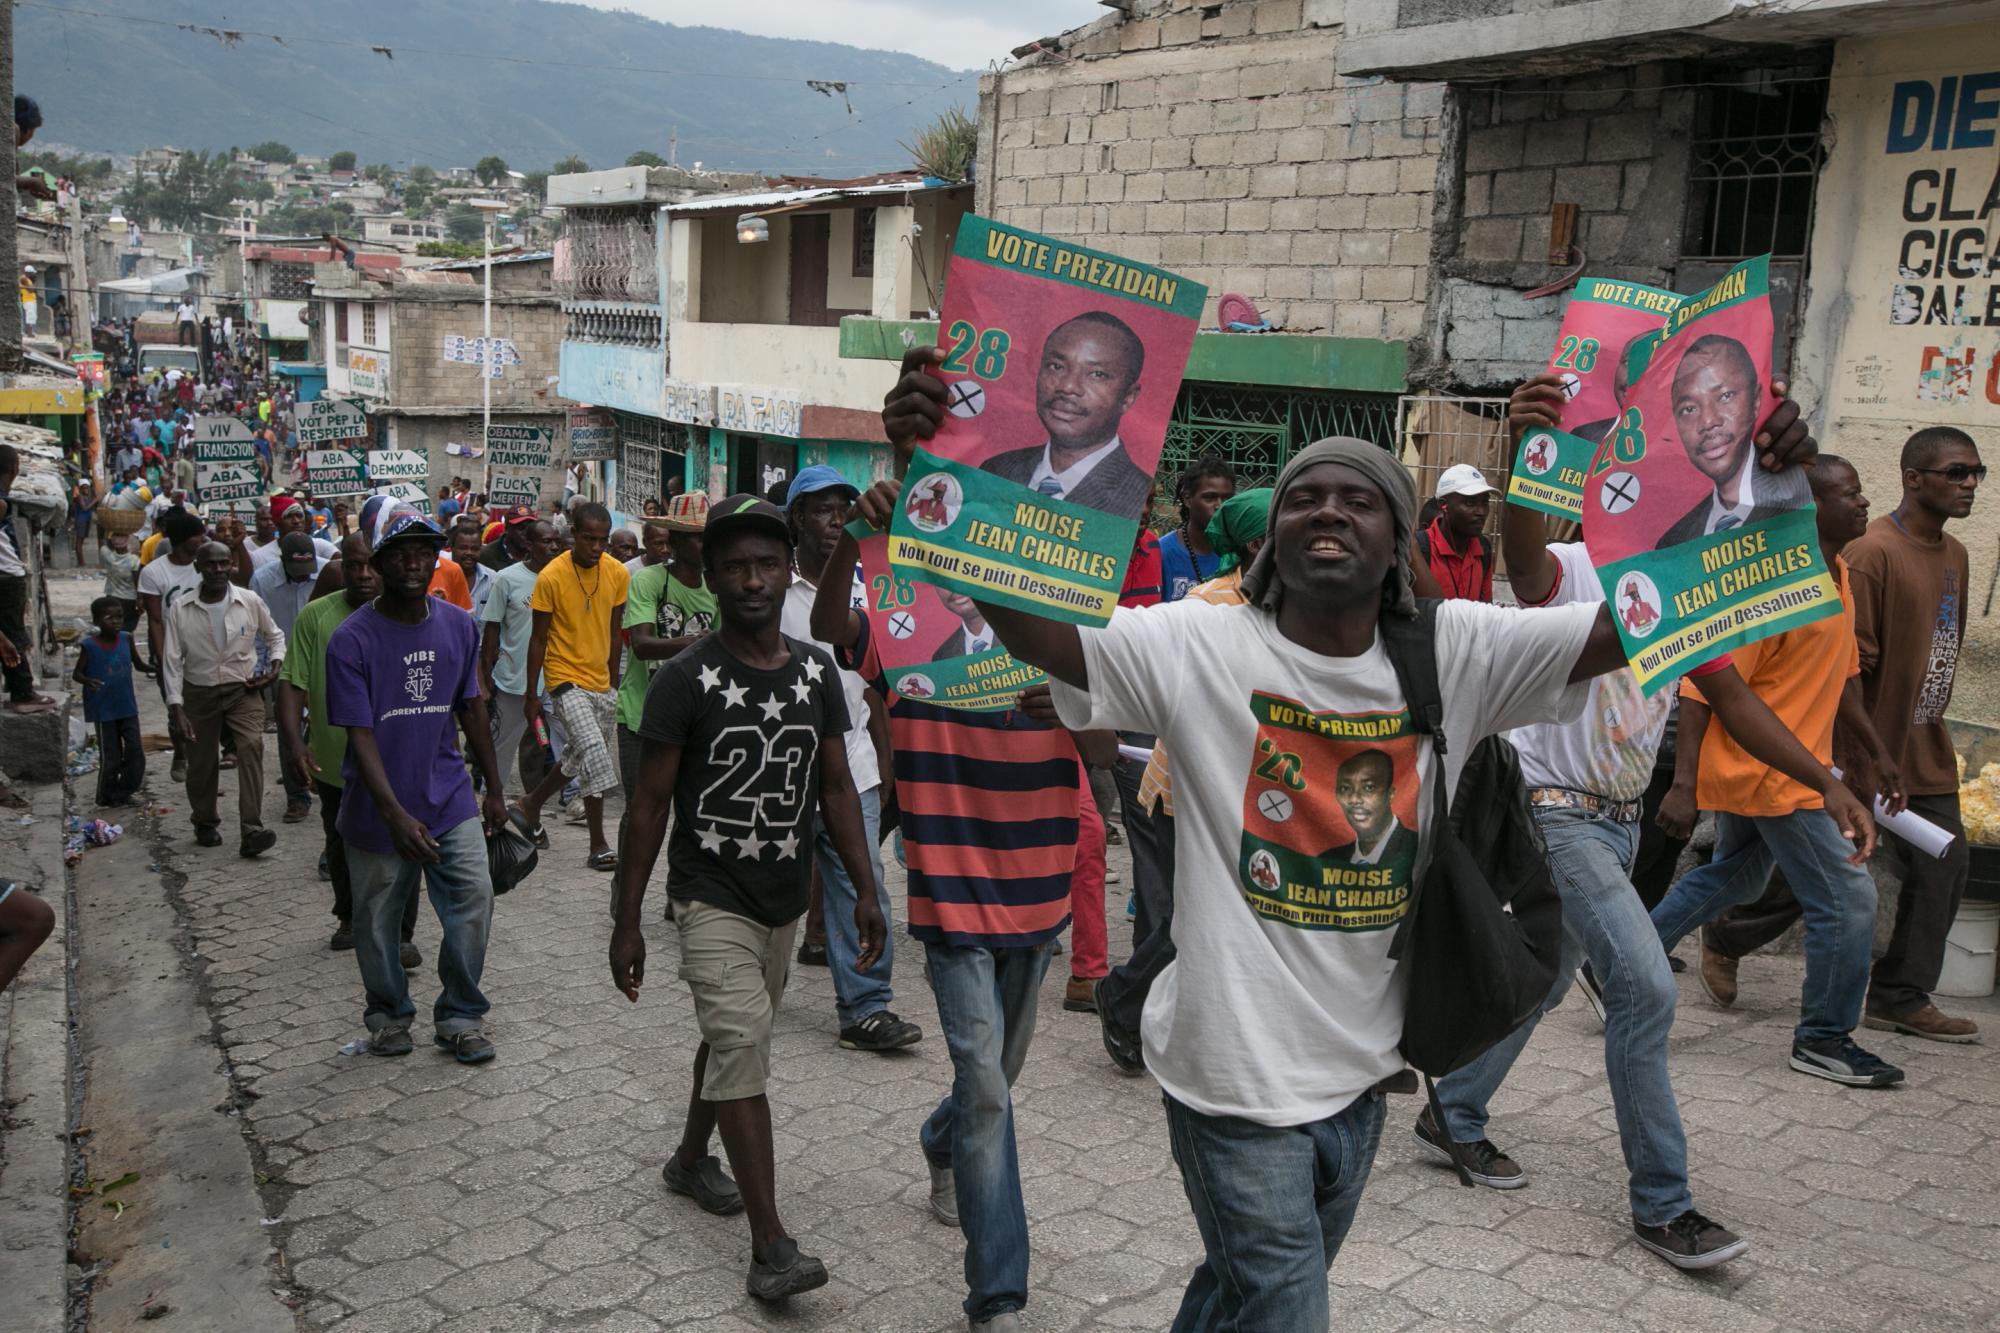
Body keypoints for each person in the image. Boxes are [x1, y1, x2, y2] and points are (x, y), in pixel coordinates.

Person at [874, 343, 1832, 1329]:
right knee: (1289, 1309)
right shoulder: (1197, 643)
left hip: (1364, 1076)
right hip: (1229, 1084)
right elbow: (1044, 636)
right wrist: (937, 473)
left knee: (1235, 1295)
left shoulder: (1456, 648)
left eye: (1358, 498)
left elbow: (1635, 625)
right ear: (1269, 537)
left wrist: (1755, 493)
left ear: (1396, 540)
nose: (1327, 510)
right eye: (1303, 496)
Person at [1421, 373, 1876, 1272]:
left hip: (1619, 823)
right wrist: (1527, 453)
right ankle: (1663, 1204)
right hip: (1555, 814)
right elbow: (1523, 564)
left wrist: (1827, 781)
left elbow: (1737, 700)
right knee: (1648, 991)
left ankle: (1453, 1110)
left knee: (1551, 981)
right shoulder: (1584, 564)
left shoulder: (1686, 587)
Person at [610, 493, 885, 1304]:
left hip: (780, 900)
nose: (752, 579)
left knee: (736, 1036)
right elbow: (649, 807)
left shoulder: (813, 670)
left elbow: (836, 785)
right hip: (709, 893)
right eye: (734, 566)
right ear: (715, 578)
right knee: (740, 1039)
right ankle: (771, 1247)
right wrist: (626, 921)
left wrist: (867, 891)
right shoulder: (685, 678)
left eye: (766, 563)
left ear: (785, 567)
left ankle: (691, 1158)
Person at [812, 518, 1083, 1330]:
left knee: (994, 1074)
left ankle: (940, 1140)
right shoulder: (904, 636)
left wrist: (1069, 700)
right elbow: (831, 627)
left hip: (1038, 886)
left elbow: (1104, 746)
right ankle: (997, 1293)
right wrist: (852, 540)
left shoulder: (1060, 638)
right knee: (991, 1094)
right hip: (949, 884)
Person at [1655, 455, 1904, 1088]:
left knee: (1734, 878)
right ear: (1807, 506)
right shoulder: (1769, 581)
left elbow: (1843, 675)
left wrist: (1874, 752)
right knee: (1849, 901)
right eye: (1849, 493)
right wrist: (1684, 785)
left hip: (1801, 768)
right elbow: (1706, 684)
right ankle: (1823, 1037)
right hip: (1772, 774)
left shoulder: (1839, 571)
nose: (1864, 503)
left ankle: (1621, 960)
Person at [325, 501, 508, 1063]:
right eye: (399, 554)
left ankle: (460, 1014)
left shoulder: (457, 624)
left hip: (450, 797)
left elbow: (472, 708)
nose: (413, 564)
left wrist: (494, 790)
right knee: (377, 921)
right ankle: (387, 1014)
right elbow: (360, 737)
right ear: (377, 564)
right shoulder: (350, 641)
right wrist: (395, 815)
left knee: (473, 901)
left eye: (424, 553)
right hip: (377, 810)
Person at [1097, 488, 1270, 1076]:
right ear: (1256, 544)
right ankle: (1121, 1000)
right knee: (1182, 922)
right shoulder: (1212, 605)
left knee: (1224, 916)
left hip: (1245, 797)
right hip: (1181, 791)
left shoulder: (1288, 604)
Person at [1851, 427, 1983, 1042]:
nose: (1969, 484)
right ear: (1912, 478)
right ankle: (1733, 930)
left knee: (1947, 861)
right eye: (1956, 472)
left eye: (1976, 473)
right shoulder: (1870, 553)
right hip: (1867, 751)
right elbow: (1846, 668)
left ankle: (1900, 995)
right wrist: (1864, 755)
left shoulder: (1954, 554)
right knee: (1820, 869)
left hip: (1924, 749)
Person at [782, 466, 919, 1052]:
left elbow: (876, 683)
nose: (838, 520)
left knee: (865, 884)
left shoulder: (870, 587)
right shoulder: (772, 585)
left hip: (853, 765)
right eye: (822, 510)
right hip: (779, 768)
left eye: (845, 508)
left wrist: (888, 765)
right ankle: (749, 984)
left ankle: (866, 1006)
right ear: (796, 520)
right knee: (769, 888)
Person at [280, 533, 420, 960]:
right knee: (341, 838)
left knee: (405, 841)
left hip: (397, 758)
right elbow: (292, 682)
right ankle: (349, 916)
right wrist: (293, 745)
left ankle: (401, 933)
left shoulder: (411, 615)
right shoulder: (317, 617)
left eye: (371, 566)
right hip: (334, 758)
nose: (363, 575)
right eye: (353, 566)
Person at [513, 501, 629, 870]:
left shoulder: (617, 574)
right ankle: (598, 843)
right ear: (572, 536)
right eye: (589, 539)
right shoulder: (551, 576)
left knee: (577, 755)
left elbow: (614, 632)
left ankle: (530, 804)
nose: (597, 547)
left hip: (601, 681)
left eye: (603, 540)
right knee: (594, 750)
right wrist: (532, 694)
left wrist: (612, 682)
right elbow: (538, 638)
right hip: (563, 678)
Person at [161, 541, 284, 857]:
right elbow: (172, 660)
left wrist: (274, 666)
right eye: (211, 564)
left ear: (232, 565)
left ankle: (252, 829)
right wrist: (177, 708)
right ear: (198, 567)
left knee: (251, 746)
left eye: (223, 563)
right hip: (198, 693)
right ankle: (204, 820)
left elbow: (275, 636)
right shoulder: (181, 608)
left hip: (242, 690)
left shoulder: (249, 601)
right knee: (201, 763)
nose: (218, 570)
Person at [978, 312, 1153, 515]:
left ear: (1128, 397)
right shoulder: (996, 471)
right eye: (1057, 366)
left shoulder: (1138, 500)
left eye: (1097, 374)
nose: (1068, 386)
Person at [1653, 335, 1810, 549]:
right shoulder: (1673, 542)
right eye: (1689, 409)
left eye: (1725, 396)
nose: (1708, 421)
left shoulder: (1799, 503)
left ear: (1756, 401)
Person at [616, 497, 713, 802]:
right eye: (697, 538)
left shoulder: (717, 587)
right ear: (677, 540)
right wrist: (697, 643)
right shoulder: (648, 580)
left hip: (692, 716)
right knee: (639, 809)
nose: (705, 546)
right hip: (640, 713)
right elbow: (642, 645)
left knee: (688, 810)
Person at [479, 518, 560, 800]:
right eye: (546, 542)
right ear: (529, 544)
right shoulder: (507, 579)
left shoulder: (564, 577)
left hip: (556, 679)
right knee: (502, 745)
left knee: (568, 741)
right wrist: (486, 677)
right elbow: (492, 628)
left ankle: (566, 797)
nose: (553, 547)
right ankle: (493, 799)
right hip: (514, 680)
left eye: (555, 542)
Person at [253, 533, 329, 823]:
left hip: (322, 659)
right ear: (281, 561)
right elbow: (258, 626)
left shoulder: (326, 571)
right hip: (283, 664)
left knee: (323, 724)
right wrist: (262, 669)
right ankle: (296, 796)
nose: (303, 576)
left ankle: (321, 775)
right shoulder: (262, 580)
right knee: (289, 730)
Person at [73, 597, 144, 807]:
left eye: (119, 617)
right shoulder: (89, 646)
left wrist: (159, 669)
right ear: (96, 620)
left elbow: (139, 664)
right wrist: (87, 681)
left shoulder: (126, 638)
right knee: (111, 756)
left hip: (127, 705)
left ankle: (124, 791)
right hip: (104, 709)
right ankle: (105, 795)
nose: (115, 621)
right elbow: (77, 673)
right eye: (109, 618)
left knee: (135, 752)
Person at [0, 446, 54, 713]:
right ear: (14, 469)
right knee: (15, 635)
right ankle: (23, 693)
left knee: (11, 634)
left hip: (8, 575)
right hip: (7, 577)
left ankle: (20, 689)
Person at [1415, 463, 1498, 601]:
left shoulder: (1483, 549)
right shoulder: (1419, 548)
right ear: (1443, 505)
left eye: (1485, 502)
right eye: (1470, 503)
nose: (1481, 512)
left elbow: (1486, 611)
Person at [1156, 457, 1235, 601]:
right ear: (1187, 499)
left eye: (1227, 499)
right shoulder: (1161, 553)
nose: (1219, 506)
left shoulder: (1236, 554)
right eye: (1209, 498)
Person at [99, 530, 145, 671]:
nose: (118, 539)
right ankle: (123, 660)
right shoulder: (130, 560)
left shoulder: (113, 557)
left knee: (117, 633)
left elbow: (138, 584)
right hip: (121, 600)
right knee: (122, 633)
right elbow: (138, 583)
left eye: (121, 535)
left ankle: (116, 659)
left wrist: (140, 600)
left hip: (119, 600)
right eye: (116, 536)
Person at [70, 478, 96, 564]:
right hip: (81, 521)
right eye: (84, 488)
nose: (86, 490)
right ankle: (81, 562)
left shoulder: (87, 497)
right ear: (80, 489)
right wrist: (95, 501)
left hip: (85, 520)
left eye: (87, 488)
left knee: (81, 541)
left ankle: (81, 562)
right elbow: (84, 508)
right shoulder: (80, 497)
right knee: (79, 542)